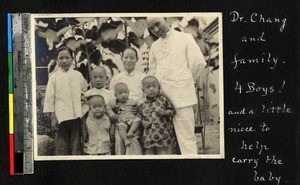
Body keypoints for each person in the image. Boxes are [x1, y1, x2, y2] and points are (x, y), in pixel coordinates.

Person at [147, 17, 206, 154]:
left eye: (157, 24)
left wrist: (185, 81)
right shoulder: (155, 46)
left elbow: (198, 63)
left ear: (165, 21)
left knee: (187, 138)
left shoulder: (185, 38)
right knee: (163, 139)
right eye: (151, 28)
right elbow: (152, 72)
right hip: (161, 100)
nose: (156, 29)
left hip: (182, 96)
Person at [44, 46, 87, 155]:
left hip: (76, 115)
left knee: (75, 145)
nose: (64, 61)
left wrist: (82, 97)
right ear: (57, 60)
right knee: (61, 146)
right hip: (60, 116)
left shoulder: (78, 75)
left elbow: (84, 90)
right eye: (61, 58)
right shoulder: (54, 77)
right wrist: (53, 118)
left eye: (67, 58)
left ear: (72, 59)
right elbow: (49, 99)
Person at [109, 47, 146, 155]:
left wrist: (138, 108)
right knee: (119, 139)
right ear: (122, 58)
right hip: (121, 116)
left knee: (134, 139)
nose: (128, 60)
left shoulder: (142, 77)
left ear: (137, 59)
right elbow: (112, 99)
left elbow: (145, 97)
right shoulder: (116, 79)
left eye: (132, 58)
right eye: (126, 57)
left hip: (137, 114)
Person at [139, 76, 176, 155]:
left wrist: (165, 112)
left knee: (164, 155)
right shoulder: (142, 104)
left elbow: (173, 111)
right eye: (148, 87)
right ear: (143, 90)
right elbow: (139, 115)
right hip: (149, 137)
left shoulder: (163, 100)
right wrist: (142, 121)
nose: (151, 89)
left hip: (163, 136)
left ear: (158, 88)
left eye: (154, 86)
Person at [82, 66, 116, 152]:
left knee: (106, 146)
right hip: (91, 126)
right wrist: (84, 131)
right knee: (92, 147)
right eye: (95, 77)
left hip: (105, 126)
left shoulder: (110, 94)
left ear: (106, 78)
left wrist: (112, 129)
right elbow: (84, 114)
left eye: (101, 77)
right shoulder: (87, 94)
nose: (98, 80)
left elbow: (112, 113)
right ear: (91, 78)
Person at [109, 83, 142, 155]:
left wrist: (138, 108)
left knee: (137, 120)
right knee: (120, 126)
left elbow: (140, 105)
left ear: (128, 93)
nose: (123, 95)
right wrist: (112, 114)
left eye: (125, 92)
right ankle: (125, 140)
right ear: (115, 95)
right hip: (122, 121)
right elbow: (107, 108)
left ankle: (131, 131)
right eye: (120, 93)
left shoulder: (132, 101)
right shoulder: (114, 103)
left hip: (131, 119)